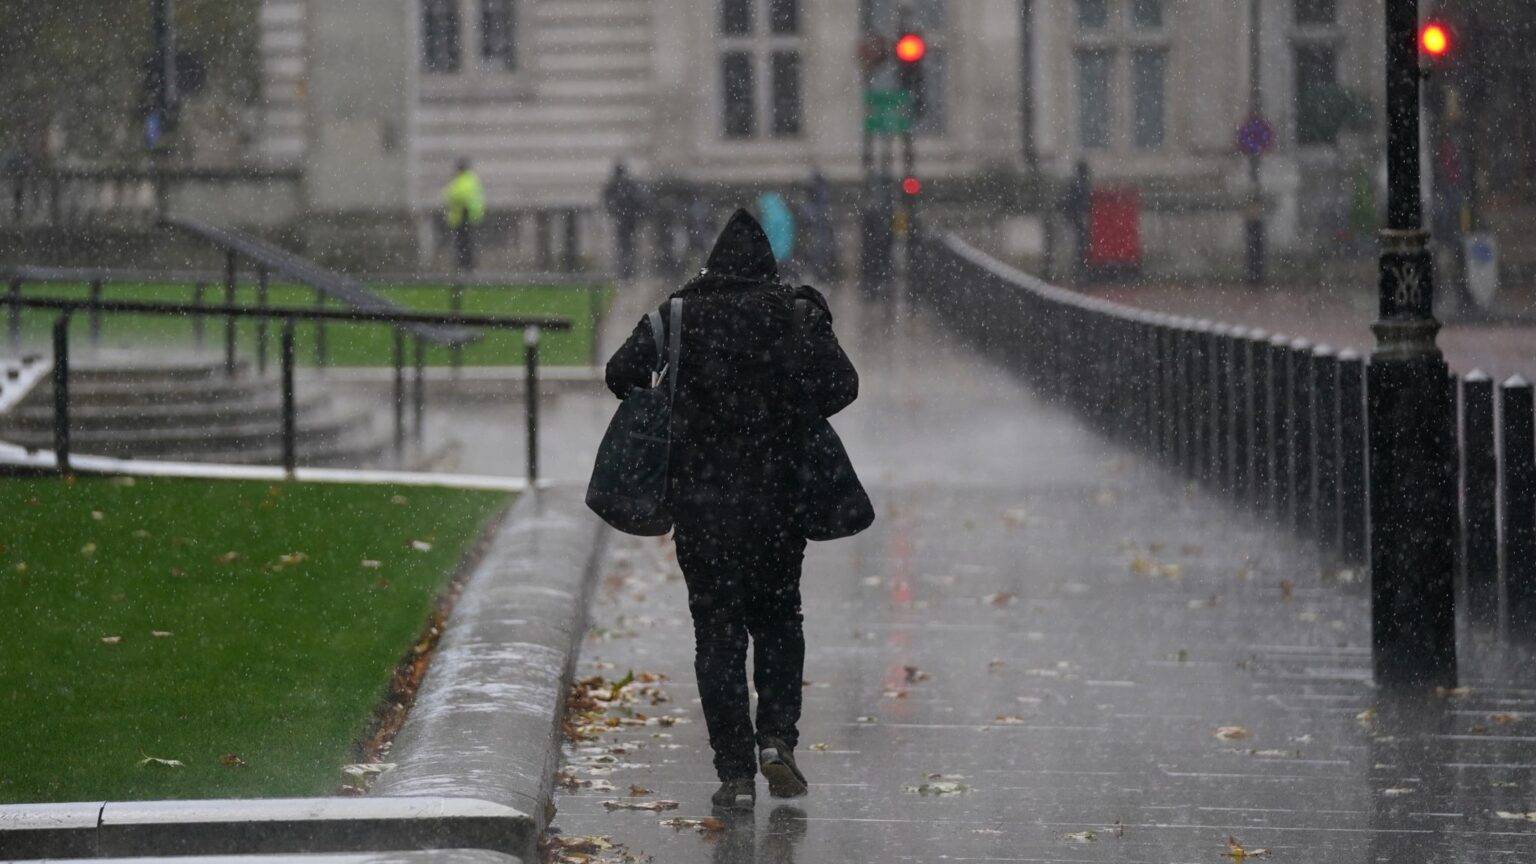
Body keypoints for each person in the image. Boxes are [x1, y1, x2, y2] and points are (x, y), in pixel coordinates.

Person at [604, 209, 858, 811]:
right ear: (767, 267)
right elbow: (841, 386)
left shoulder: (680, 316)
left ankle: (735, 774)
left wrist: (671, 402)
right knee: (778, 622)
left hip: (702, 508)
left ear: (713, 265)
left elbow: (620, 373)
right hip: (777, 508)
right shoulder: (793, 315)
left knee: (716, 636)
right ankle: (777, 740)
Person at [441, 159, 487, 273]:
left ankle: (465, 266)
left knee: (463, 243)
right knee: (467, 242)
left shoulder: (463, 180)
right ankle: (467, 265)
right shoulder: (472, 180)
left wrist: (450, 196)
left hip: (463, 216)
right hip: (470, 216)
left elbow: (453, 195)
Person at [603, 161, 646, 280]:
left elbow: (608, 202)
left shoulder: (619, 185)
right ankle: (627, 270)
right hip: (627, 220)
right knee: (627, 246)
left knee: (625, 246)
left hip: (625, 220)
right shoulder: (627, 185)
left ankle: (626, 271)